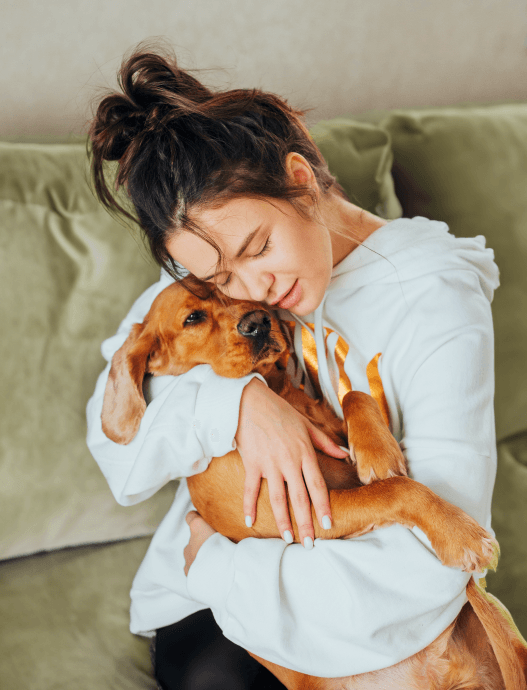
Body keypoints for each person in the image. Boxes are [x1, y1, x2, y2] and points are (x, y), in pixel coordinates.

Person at [86, 42, 500, 689]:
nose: (248, 291)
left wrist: (215, 565)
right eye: (217, 277)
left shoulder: (432, 296)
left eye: (259, 247)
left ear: (300, 179)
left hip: (325, 586)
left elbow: (440, 554)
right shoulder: (217, 286)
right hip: (209, 607)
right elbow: (118, 452)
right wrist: (238, 406)